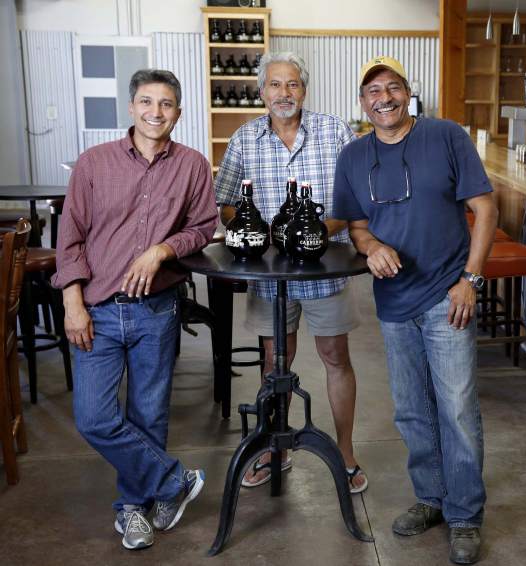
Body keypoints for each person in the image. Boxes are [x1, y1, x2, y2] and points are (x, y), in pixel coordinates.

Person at [333, 56, 498, 565]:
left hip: (448, 295)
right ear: (362, 102)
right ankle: (431, 498)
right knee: (411, 409)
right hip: (393, 300)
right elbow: (356, 225)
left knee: (457, 410)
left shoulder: (445, 136)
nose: (383, 98)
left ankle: (465, 515)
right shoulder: (353, 156)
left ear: (408, 93)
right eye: (373, 91)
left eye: (392, 87)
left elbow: (485, 208)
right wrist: (370, 246)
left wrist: (470, 280)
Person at [52, 69, 218, 550]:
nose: (155, 112)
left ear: (178, 113)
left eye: (166, 104)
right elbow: (70, 240)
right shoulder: (94, 163)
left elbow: (203, 227)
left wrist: (161, 250)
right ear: (131, 107)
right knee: (93, 418)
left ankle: (132, 509)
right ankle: (173, 482)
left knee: (148, 415)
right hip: (98, 310)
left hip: (157, 310)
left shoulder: (192, 165)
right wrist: (72, 304)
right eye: (146, 102)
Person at [214, 52, 368, 494]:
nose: (284, 93)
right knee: (274, 361)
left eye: (293, 84)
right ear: (262, 91)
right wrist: (256, 229)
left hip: (326, 268)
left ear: (304, 89)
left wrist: (317, 231)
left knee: (335, 356)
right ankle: (275, 448)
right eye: (276, 85)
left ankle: (345, 453)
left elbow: (356, 197)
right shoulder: (245, 138)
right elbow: (226, 203)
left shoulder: (333, 131)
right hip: (269, 273)